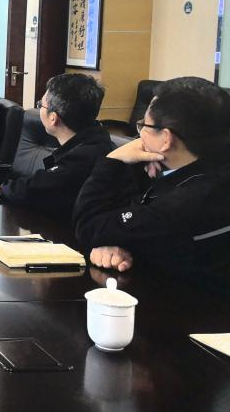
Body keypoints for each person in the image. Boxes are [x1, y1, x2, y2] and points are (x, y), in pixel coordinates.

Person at [74, 76, 230, 276]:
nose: (140, 135)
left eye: (144, 126)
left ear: (166, 139)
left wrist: (113, 159)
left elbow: (88, 227)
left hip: (179, 292)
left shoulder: (182, 204)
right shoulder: (211, 168)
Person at [0, 73, 112, 221]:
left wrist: (0, 189)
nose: (39, 107)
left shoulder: (84, 157)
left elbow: (37, 189)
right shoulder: (97, 138)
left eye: (41, 105)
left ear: (53, 118)